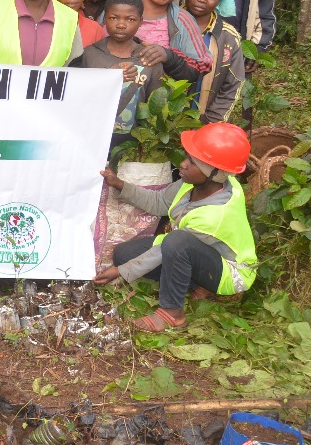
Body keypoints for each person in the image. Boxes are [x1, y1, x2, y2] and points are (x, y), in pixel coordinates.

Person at [94, 123, 256, 332]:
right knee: (124, 254)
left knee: (175, 242)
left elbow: (169, 248)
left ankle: (172, 313)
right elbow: (160, 202)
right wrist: (119, 184)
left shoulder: (215, 214)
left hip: (230, 270)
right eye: (187, 157)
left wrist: (122, 272)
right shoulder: (196, 183)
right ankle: (199, 285)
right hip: (194, 252)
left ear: (215, 173)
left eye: (193, 162)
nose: (184, 164)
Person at [82, 0, 163, 150]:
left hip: (133, 147)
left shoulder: (149, 60)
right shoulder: (89, 55)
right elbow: (80, 98)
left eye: (130, 19)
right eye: (114, 18)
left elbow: (155, 109)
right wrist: (109, 76)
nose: (120, 24)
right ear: (104, 19)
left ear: (140, 21)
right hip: (91, 141)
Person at [184, 0, 245, 124]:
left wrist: (213, 121)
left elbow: (233, 83)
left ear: (220, 0)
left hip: (206, 117)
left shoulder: (228, 36)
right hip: (165, 118)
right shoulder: (168, 23)